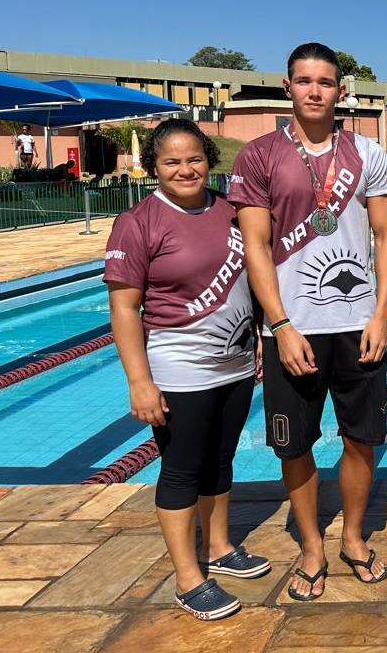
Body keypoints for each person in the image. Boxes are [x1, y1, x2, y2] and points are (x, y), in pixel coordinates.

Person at [230, 43, 387, 600]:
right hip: (294, 328)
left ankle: (352, 536)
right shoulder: (258, 155)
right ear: (287, 87)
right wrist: (279, 325)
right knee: (295, 444)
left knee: (360, 438)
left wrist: (380, 315)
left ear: (340, 91)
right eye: (304, 81)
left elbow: (386, 236)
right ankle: (311, 546)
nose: (314, 91)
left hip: (357, 325)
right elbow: (255, 244)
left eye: (325, 82)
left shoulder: (368, 153)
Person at [105, 118, 270, 621]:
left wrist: (260, 334)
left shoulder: (229, 209)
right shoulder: (138, 223)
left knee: (221, 459)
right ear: (153, 166)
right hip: (180, 366)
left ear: (208, 160)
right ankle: (187, 576)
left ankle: (219, 547)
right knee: (181, 468)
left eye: (194, 158)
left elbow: (254, 273)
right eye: (171, 161)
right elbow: (124, 309)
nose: (185, 169)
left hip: (236, 361)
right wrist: (139, 381)